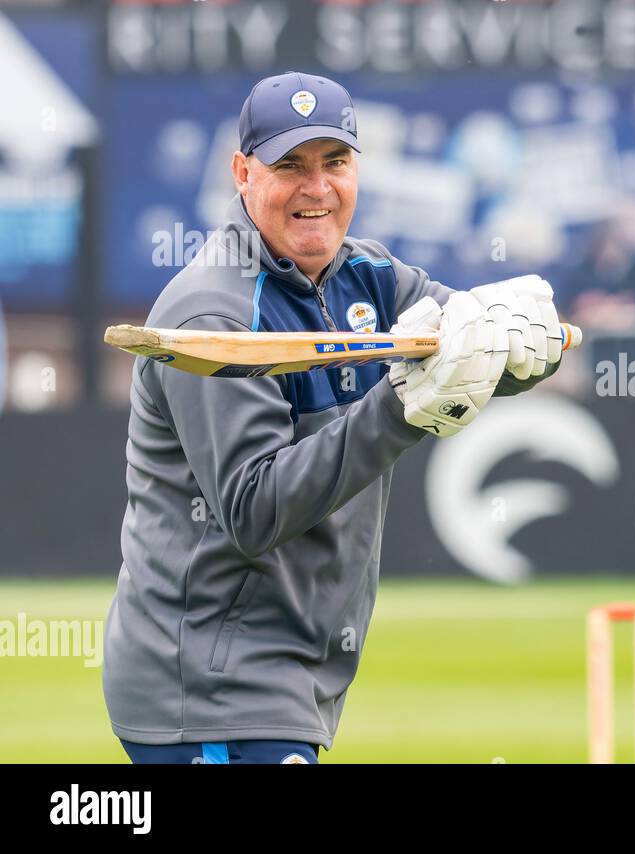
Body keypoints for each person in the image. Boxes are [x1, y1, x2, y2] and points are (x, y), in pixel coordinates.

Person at [102, 72, 563, 764]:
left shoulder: (371, 279)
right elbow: (256, 508)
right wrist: (400, 409)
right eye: (290, 165)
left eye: (335, 162)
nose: (316, 188)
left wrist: (524, 347)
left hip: (292, 676)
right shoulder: (214, 310)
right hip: (206, 684)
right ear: (242, 172)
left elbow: (470, 349)